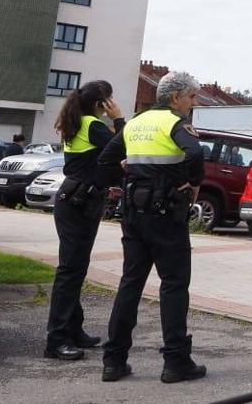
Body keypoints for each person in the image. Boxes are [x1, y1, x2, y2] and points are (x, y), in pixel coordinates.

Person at [97, 71, 206, 384]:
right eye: (192, 96)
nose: (193, 103)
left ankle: (114, 360)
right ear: (175, 98)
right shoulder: (174, 122)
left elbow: (107, 159)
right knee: (173, 284)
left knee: (130, 282)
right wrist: (194, 182)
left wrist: (128, 178)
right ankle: (176, 361)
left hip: (133, 212)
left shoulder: (136, 122)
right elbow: (196, 152)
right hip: (166, 214)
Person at [44, 80, 124, 361]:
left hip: (77, 200)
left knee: (75, 268)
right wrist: (119, 119)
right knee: (70, 270)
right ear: (102, 103)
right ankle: (56, 340)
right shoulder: (92, 124)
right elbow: (122, 148)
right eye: (110, 99)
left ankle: (73, 330)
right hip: (79, 201)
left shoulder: (79, 120)